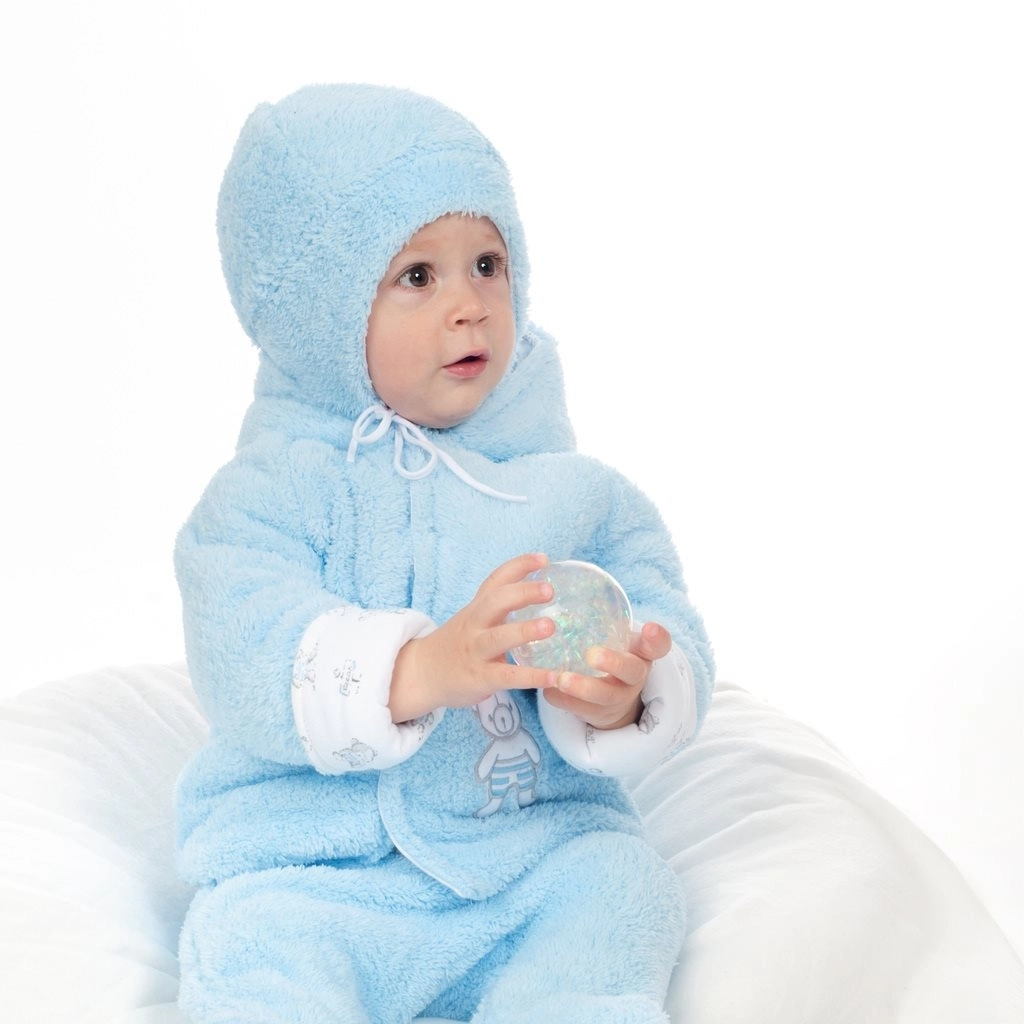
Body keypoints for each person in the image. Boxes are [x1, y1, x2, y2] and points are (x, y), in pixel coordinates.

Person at [174, 83, 715, 1024]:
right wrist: (419, 669)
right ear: (320, 313)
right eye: (418, 276)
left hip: (525, 861)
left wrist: (624, 693)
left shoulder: (573, 494)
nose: (469, 306)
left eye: (488, 265)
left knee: (623, 890)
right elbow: (242, 646)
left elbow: (660, 612)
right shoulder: (270, 494)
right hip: (321, 876)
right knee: (257, 945)